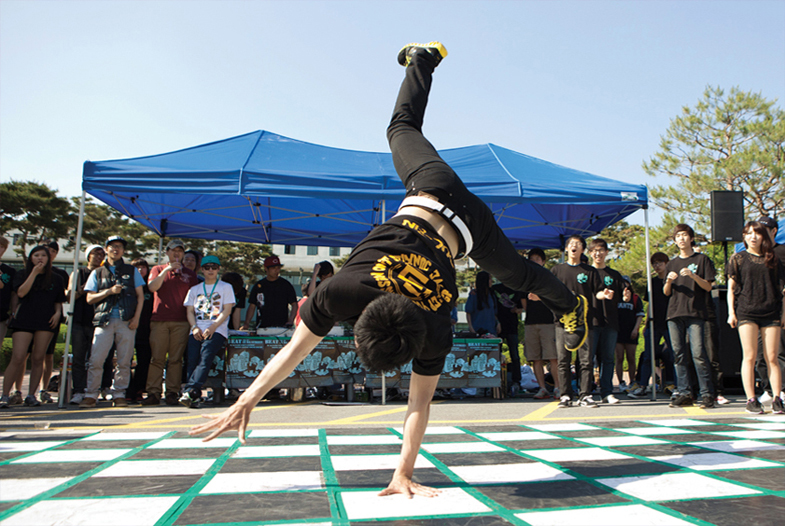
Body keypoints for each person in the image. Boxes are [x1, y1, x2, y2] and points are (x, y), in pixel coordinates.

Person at [190, 42, 585, 498]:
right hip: (432, 189)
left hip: (467, 229)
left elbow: (417, 404)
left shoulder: (433, 329)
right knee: (401, 128)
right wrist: (248, 400)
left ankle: (570, 307)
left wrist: (248, 399)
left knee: (520, 275)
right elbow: (297, 352)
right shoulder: (340, 291)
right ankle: (423, 58)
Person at [79, 236, 145, 408]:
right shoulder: (97, 272)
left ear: (123, 251)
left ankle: (119, 394)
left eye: (119, 247)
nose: (116, 249)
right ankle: (91, 393)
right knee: (96, 359)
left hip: (126, 321)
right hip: (104, 320)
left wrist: (136, 318)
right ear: (106, 249)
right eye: (113, 246)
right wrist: (108, 291)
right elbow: (89, 298)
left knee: (125, 360)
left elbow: (140, 296)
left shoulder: (132, 271)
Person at [727, 221, 785, 414]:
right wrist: (731, 312)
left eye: (757, 233)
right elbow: (731, 288)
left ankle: (777, 398)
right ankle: (751, 399)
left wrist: (783, 313)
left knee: (772, 357)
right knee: (750, 356)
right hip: (746, 311)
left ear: (764, 236)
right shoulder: (738, 258)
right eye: (749, 233)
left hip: (771, 311)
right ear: (744, 236)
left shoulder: (773, 258)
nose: (753, 237)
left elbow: (782, 289)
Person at [1, 246, 65, 407]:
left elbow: (58, 301)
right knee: (18, 356)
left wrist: (58, 313)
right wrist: (34, 273)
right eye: (36, 255)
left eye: (43, 255)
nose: (40, 258)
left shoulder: (56, 278)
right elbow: (21, 293)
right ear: (31, 258)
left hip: (46, 320)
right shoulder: (22, 274)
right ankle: (5, 395)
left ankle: (32, 395)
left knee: (38, 358)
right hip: (24, 319)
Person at [665, 223, 716, 409]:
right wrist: (668, 281)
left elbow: (708, 287)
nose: (681, 238)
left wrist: (694, 276)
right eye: (678, 236)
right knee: (678, 355)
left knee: (698, 354)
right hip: (674, 313)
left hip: (695, 312)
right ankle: (684, 392)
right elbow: (666, 292)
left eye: (684, 235)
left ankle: (707, 394)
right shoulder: (671, 263)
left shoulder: (702, 259)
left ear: (691, 238)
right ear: (674, 240)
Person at [142, 239, 199, 406]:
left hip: (181, 321)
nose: (177, 254)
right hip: (159, 320)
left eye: (180, 251)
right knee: (157, 358)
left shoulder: (190, 274)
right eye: (173, 250)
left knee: (176, 359)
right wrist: (167, 270)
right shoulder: (157, 269)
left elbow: (195, 297)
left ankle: (172, 392)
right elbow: (152, 287)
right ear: (167, 252)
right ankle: (153, 392)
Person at [552, 235, 603, 408]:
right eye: (571, 244)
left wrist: (605, 295)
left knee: (586, 361)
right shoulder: (557, 270)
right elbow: (548, 292)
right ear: (566, 249)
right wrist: (538, 297)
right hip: (562, 322)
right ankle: (565, 395)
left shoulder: (590, 271)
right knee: (563, 360)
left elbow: (598, 291)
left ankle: (585, 395)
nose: (574, 246)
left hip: (585, 322)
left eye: (578, 244)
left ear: (582, 250)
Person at [180, 255, 235, 408]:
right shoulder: (194, 289)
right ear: (202, 269)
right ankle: (194, 396)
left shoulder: (225, 287)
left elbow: (227, 310)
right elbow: (189, 311)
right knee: (192, 360)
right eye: (207, 267)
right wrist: (194, 327)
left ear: (218, 269)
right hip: (197, 328)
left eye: (214, 267)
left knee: (205, 357)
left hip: (217, 329)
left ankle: (190, 391)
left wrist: (214, 326)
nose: (211, 270)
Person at [630, 251, 676, 399]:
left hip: (669, 322)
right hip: (654, 323)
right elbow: (649, 303)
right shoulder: (652, 282)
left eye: (660, 263)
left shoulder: (673, 281)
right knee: (648, 355)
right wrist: (646, 323)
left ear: (666, 263)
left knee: (673, 355)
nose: (657, 266)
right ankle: (642, 385)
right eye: (654, 264)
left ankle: (674, 385)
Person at [67, 244, 105, 404]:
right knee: (78, 357)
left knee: (96, 359)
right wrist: (84, 289)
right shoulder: (79, 272)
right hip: (79, 319)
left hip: (98, 320)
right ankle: (78, 390)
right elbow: (70, 295)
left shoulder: (104, 273)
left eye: (101, 254)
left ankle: (94, 389)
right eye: (95, 254)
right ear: (88, 255)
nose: (98, 257)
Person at [588, 238, 624, 404]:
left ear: (607, 252)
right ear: (590, 253)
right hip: (591, 322)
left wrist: (626, 296)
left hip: (610, 321)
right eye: (595, 250)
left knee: (608, 358)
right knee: (588, 359)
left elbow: (624, 294)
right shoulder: (586, 273)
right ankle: (585, 391)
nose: (598, 253)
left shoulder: (614, 275)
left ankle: (607, 392)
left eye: (601, 250)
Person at [521, 248, 558, 399]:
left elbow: (555, 297)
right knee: (535, 358)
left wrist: (540, 298)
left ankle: (558, 387)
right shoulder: (525, 279)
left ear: (543, 261)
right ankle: (542, 388)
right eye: (532, 259)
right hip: (531, 323)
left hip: (548, 322)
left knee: (553, 357)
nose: (535, 262)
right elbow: (524, 301)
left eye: (538, 259)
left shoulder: (549, 277)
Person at [756, 216, 785, 403]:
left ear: (774, 231)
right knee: (759, 353)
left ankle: (781, 390)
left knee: (778, 351)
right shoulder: (755, 254)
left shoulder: (782, 251)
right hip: (757, 309)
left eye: (764, 229)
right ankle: (767, 388)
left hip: (778, 308)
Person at [492, 269, 524, 396]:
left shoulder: (516, 289)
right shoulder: (495, 289)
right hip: (497, 325)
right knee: (495, 354)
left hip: (512, 325)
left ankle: (516, 381)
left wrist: (517, 310)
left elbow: (521, 307)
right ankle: (495, 379)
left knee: (514, 354)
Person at [126, 258, 154, 402]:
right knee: (126, 361)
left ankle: (139, 390)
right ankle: (127, 390)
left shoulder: (151, 287)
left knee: (144, 361)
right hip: (128, 327)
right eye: (137, 267)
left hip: (146, 330)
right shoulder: (128, 286)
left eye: (143, 267)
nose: (140, 270)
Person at [243, 256, 298, 329]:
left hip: (281, 327)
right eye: (273, 268)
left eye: (278, 268)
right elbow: (252, 306)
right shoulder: (259, 285)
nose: (276, 270)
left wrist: (291, 320)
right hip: (262, 326)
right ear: (266, 268)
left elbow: (294, 304)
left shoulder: (286, 285)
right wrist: (247, 323)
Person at [615, 279, 644, 394]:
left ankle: (632, 381)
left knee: (631, 357)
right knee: (619, 357)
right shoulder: (616, 297)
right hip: (618, 331)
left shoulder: (635, 298)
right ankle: (621, 382)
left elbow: (640, 315)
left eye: (626, 283)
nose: (624, 286)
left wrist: (636, 329)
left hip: (631, 331)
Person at [465, 271, 499, 336]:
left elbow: (494, 313)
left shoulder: (492, 295)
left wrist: (498, 323)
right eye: (489, 279)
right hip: (477, 330)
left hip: (491, 330)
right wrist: (471, 328)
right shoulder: (474, 295)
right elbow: (468, 312)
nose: (491, 281)